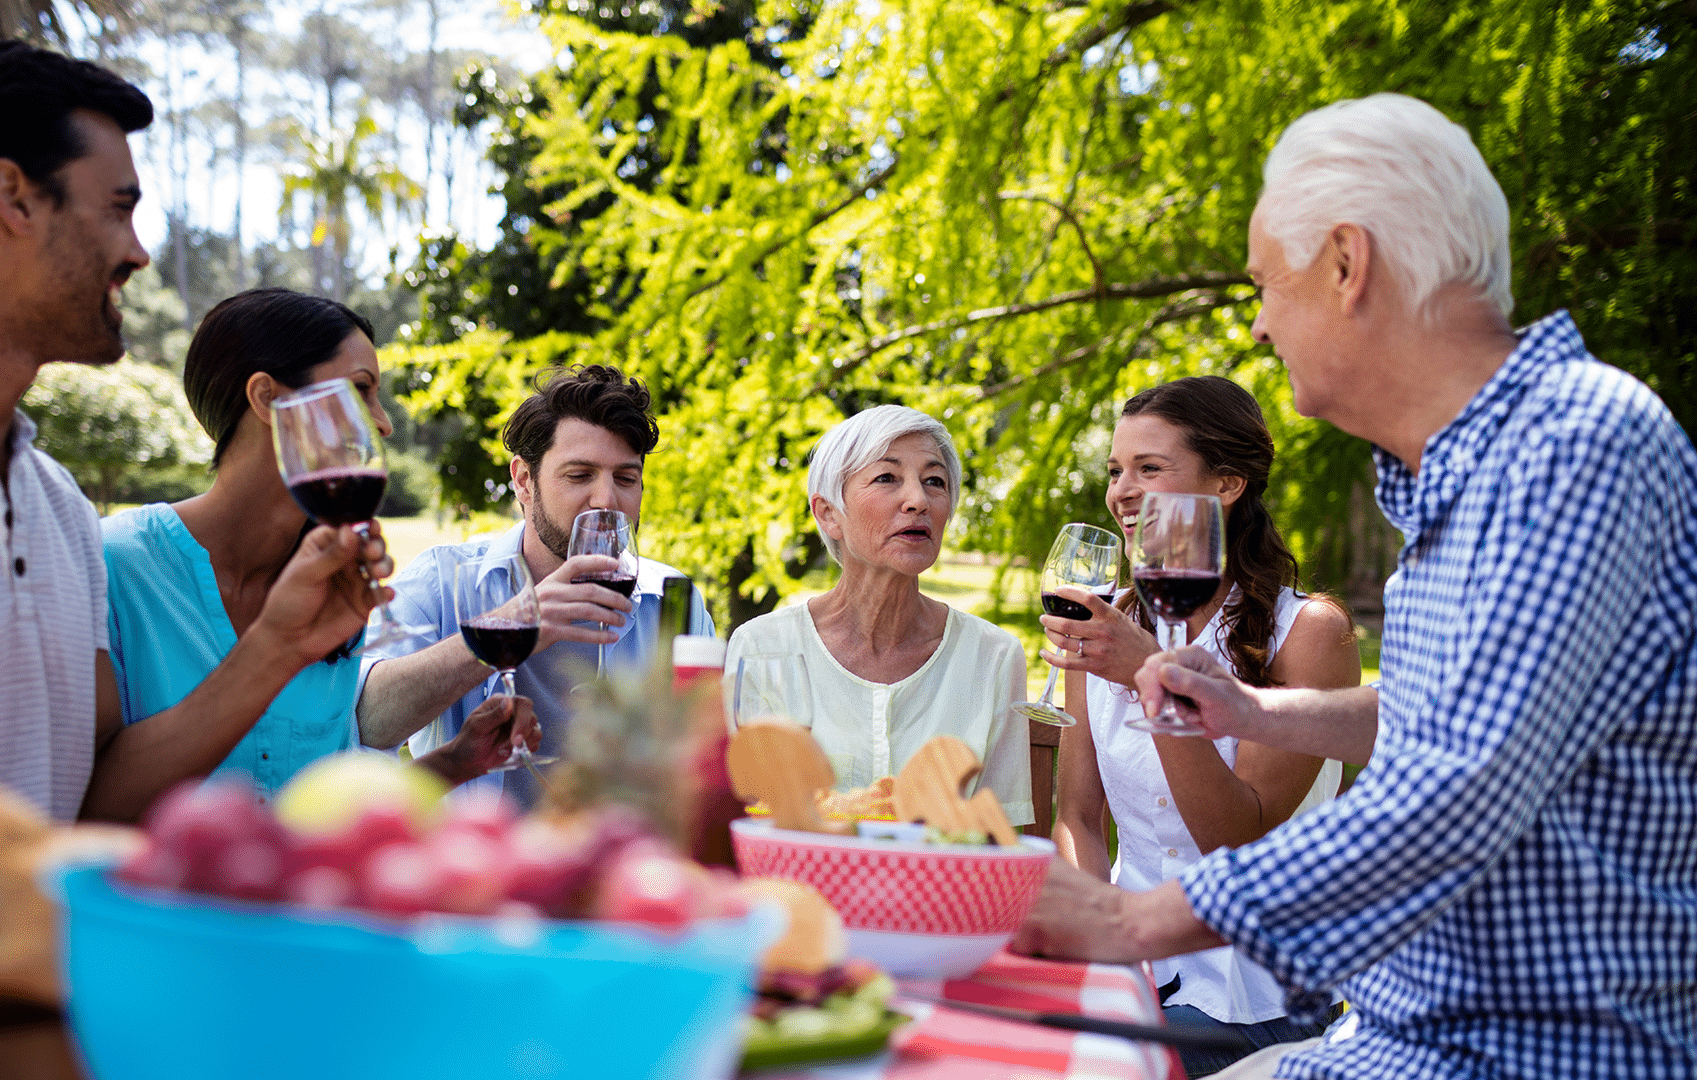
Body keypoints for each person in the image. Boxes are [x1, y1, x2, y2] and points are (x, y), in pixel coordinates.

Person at [1009, 93, 1697, 1079]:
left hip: (1522, 1052)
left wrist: (1136, 919)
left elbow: (1460, 786)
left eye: (1264, 285)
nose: (1256, 323)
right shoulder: (1468, 478)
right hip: (1390, 1034)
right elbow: (1439, 715)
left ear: (1345, 262)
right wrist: (1258, 709)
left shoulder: (1573, 441)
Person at [0, 39, 384, 825]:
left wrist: (277, 646)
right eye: (120, 208)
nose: (137, 252)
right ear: (13, 198)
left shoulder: (56, 504)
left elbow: (90, 807)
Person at [1037, 376, 1360, 1074]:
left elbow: (1233, 836)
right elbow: (1081, 819)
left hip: (1256, 990)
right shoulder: (1105, 622)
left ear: (1227, 485)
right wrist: (1098, 944)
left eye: (1149, 469)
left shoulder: (1309, 634)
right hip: (1130, 966)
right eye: (1116, 470)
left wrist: (1147, 677)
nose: (1121, 490)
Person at [102, 288, 540, 796]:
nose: (383, 422)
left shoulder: (333, 585)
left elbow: (314, 804)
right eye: (360, 391)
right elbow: (83, 808)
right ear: (268, 399)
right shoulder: (116, 566)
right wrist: (276, 647)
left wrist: (452, 763)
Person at [356, 364, 713, 808]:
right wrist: (510, 627)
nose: (606, 500)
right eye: (579, 475)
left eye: (626, 478)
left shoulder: (674, 601)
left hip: (624, 866)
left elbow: (710, 761)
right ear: (524, 480)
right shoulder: (441, 581)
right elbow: (367, 720)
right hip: (477, 865)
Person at [724, 405, 1032, 823]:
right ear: (828, 513)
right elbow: (745, 820)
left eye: (934, 482)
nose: (918, 500)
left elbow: (1003, 837)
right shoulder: (762, 648)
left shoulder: (993, 657)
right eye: (887, 477)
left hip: (941, 889)